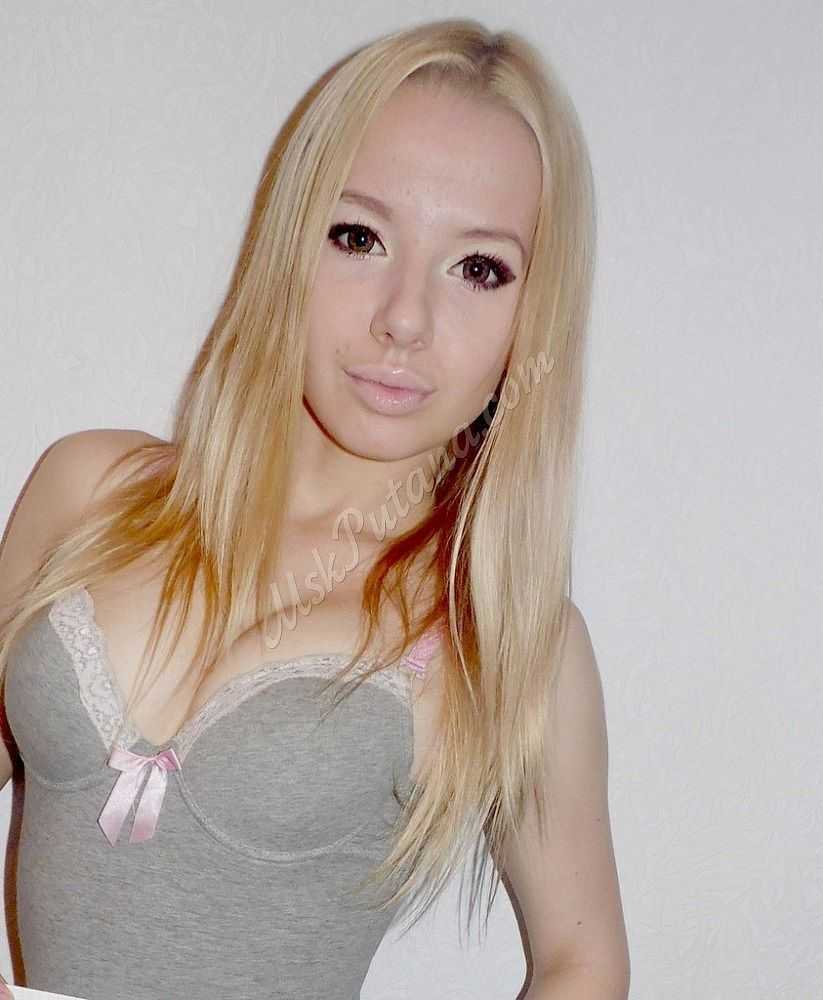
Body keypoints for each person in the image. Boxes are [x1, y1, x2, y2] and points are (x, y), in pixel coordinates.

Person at [0, 17, 630, 1000]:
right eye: (358, 236)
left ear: (532, 315)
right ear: (290, 240)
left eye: (479, 268)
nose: (403, 318)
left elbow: (581, 962)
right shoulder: (90, 489)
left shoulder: (503, 637)